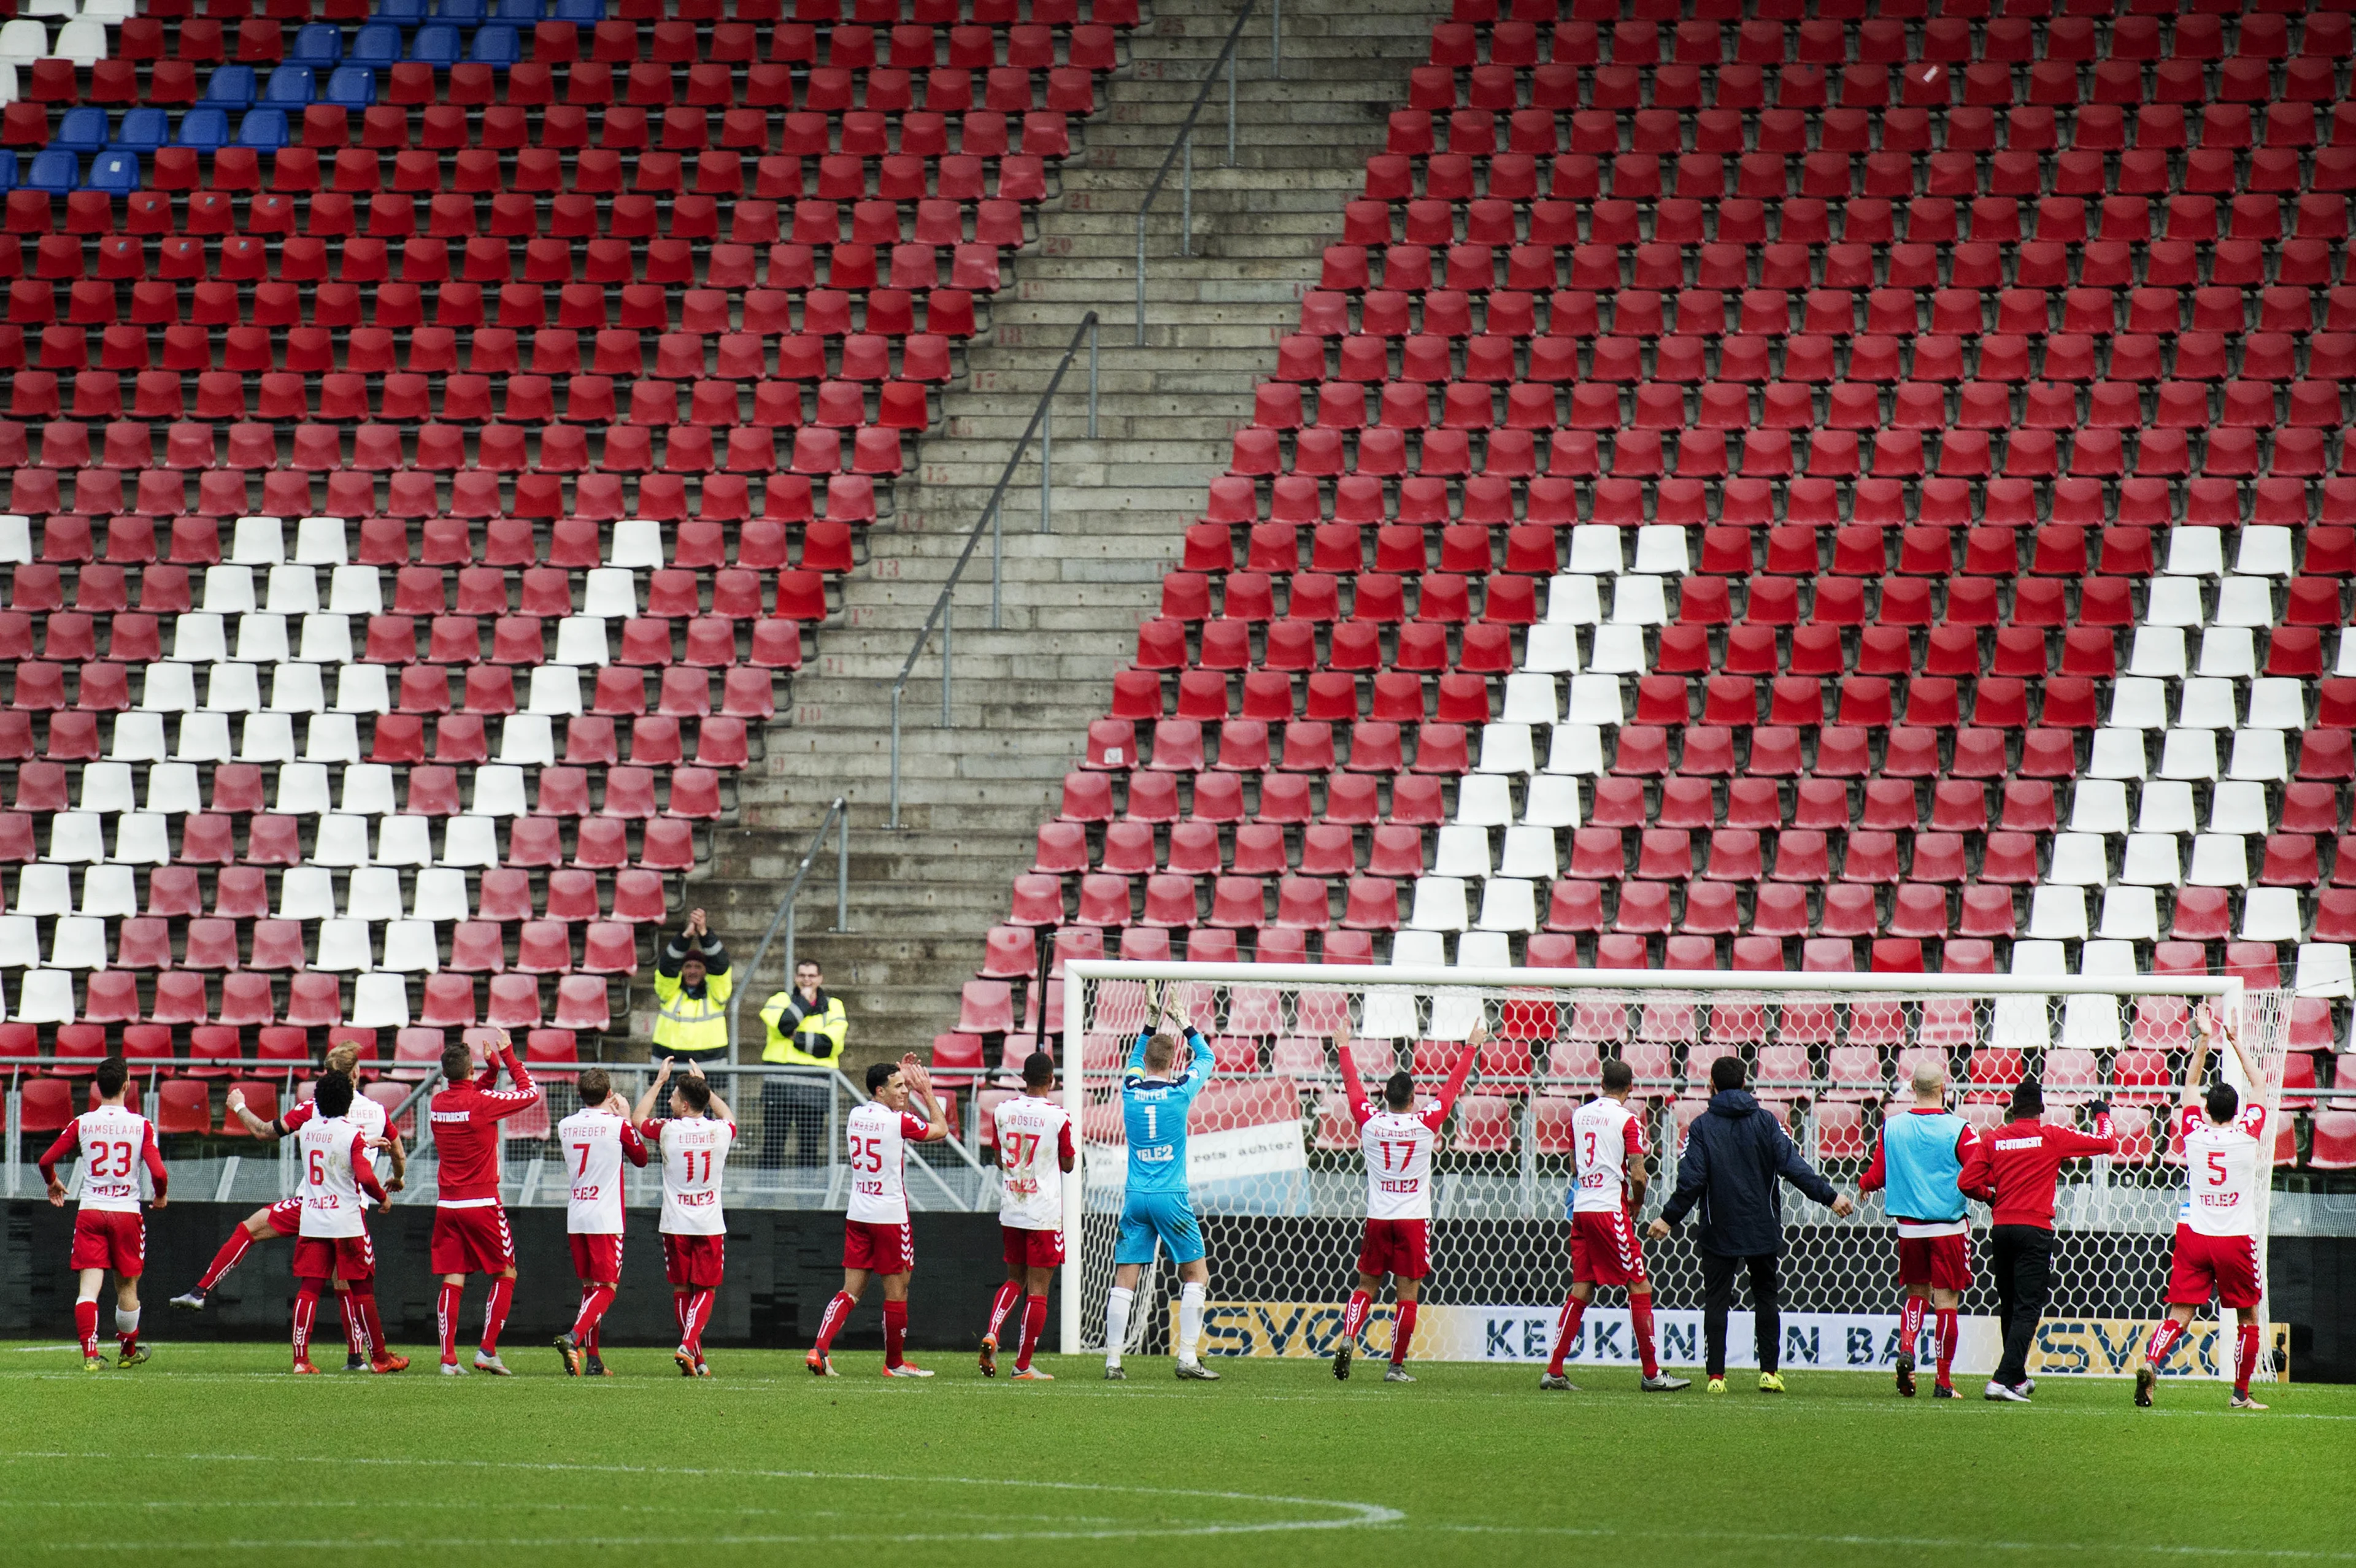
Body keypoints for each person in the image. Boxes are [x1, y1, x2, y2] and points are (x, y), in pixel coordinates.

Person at [173, 1040, 404, 1372]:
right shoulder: (376, 1112)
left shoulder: (313, 1110)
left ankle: (202, 1290)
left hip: (311, 1204)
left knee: (257, 1235)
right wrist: (397, 1180)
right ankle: (359, 1357)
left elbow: (264, 1132)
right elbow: (396, 1151)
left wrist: (239, 1107)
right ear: (356, 1072)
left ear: (327, 1076)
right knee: (348, 1284)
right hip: (352, 1207)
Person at [1649, 1056, 1854, 1394]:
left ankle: (1716, 1377)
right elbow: (1794, 1166)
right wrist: (1830, 1197)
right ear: (1745, 1084)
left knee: (1716, 1301)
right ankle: (1769, 1373)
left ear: (1710, 1087)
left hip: (1719, 1228)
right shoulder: (1767, 1122)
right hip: (1762, 1226)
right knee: (1766, 1298)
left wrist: (1668, 1218)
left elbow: (1692, 1180)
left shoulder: (1701, 1127)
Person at [2133, 1002, 2271, 1412]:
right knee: (2248, 1316)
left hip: (2195, 1235)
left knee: (2181, 1312)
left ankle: (2152, 1361)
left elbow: (2191, 1084)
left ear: (2208, 1111)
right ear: (2238, 1112)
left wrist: (2204, 1041)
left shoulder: (2193, 1132)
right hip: (2234, 1237)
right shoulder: (2248, 1135)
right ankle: (2241, 1393)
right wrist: (2236, 1042)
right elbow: (2260, 1086)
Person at [1331, 1022, 1480, 1384]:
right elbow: (1452, 1089)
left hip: (1379, 1217)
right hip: (1414, 1218)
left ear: (1385, 1098)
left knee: (1366, 1286)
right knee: (1407, 1296)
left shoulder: (1369, 1120)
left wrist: (1344, 1048)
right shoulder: (1426, 1123)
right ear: (1413, 1099)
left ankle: (1350, 1335)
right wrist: (1471, 1047)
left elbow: (1352, 1088)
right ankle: (1395, 1367)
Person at [1958, 1077, 2117, 1403]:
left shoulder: (1994, 1140)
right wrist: (2102, 1114)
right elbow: (2106, 1143)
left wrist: (1990, 1198)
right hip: (2035, 1229)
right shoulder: (2051, 1137)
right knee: (2028, 1307)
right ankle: (2001, 1380)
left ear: (2012, 1109)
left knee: (2011, 1305)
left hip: (2001, 1229)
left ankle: (2015, 1377)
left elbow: (1966, 1181)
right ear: (2042, 1110)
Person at [1543, 1059, 1690, 1394]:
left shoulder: (1580, 1115)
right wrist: (1636, 1204)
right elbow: (1638, 1173)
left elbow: (1574, 1162)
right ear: (1630, 1088)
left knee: (1582, 1286)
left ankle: (1554, 1370)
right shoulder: (1629, 1120)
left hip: (1582, 1207)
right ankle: (1652, 1374)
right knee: (1639, 1286)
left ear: (1601, 1082)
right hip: (1610, 1210)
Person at [807, 1055, 951, 1377]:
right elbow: (940, 1129)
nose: (906, 1091)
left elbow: (886, 1109)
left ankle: (819, 1350)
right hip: (889, 1216)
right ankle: (895, 1364)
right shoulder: (898, 1122)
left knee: (850, 1290)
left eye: (907, 1086)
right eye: (899, 1087)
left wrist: (897, 1072)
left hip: (859, 1213)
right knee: (897, 1291)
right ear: (879, 1091)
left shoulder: (857, 1114)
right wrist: (926, 1092)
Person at [1104, 988, 1220, 1382]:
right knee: (1196, 1275)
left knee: (1125, 1279)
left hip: (1136, 1197)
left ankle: (1113, 1362)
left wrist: (1149, 1023)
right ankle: (1187, 1358)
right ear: (1172, 1061)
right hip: (1170, 1196)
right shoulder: (1180, 1091)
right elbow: (1207, 1058)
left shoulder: (1129, 1091)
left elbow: (1136, 1060)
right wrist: (1186, 1023)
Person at [258, 1072, 399, 1375]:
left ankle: (300, 1359)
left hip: (314, 1218)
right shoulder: (354, 1134)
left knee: (309, 1288)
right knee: (362, 1289)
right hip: (347, 1222)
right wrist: (384, 1199)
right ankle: (380, 1358)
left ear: (317, 1101)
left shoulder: (307, 1130)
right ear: (349, 1101)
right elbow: (364, 1176)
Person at [39, 1056, 166, 1372]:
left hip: (92, 1211)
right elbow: (159, 1173)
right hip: (125, 1214)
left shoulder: (83, 1122)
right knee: (126, 1287)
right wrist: (160, 1196)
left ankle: (90, 1355)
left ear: (98, 1087)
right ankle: (128, 1351)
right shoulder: (141, 1125)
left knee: (88, 1289)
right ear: (126, 1086)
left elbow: (45, 1160)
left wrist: (53, 1182)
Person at [1858, 1058, 1977, 1399]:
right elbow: (1975, 1172)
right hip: (1949, 1228)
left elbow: (1878, 1176)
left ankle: (1907, 1350)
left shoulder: (1891, 1127)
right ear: (1944, 1088)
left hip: (1909, 1230)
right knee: (1946, 1304)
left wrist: (1864, 1184)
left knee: (1916, 1296)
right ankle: (1943, 1381)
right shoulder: (1960, 1129)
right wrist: (1987, 1195)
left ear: (1912, 1088)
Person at [428, 1026, 541, 1375]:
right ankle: (487, 1350)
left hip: (447, 1205)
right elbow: (530, 1093)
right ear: (470, 1071)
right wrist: (507, 1057)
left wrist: (489, 1073)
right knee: (506, 1271)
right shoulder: (480, 1102)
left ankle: (448, 1360)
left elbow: (469, 1100)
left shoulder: (438, 1103)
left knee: (453, 1277)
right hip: (481, 1203)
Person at [634, 1058, 736, 1377]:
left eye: (674, 1095)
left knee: (682, 1288)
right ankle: (691, 1349)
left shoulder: (667, 1130)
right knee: (706, 1289)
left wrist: (658, 1081)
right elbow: (729, 1116)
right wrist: (706, 1087)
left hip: (675, 1222)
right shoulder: (720, 1131)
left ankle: (692, 1351)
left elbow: (638, 1118)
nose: (669, 1100)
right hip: (708, 1223)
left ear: (685, 1104)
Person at [982, 1050, 1074, 1380]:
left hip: (1013, 1208)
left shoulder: (1003, 1110)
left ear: (1023, 1078)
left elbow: (997, 1158)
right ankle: (1022, 1365)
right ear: (1052, 1080)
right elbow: (1067, 1164)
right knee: (1038, 1290)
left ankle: (993, 1331)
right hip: (1044, 1213)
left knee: (1013, 1279)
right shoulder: (1058, 1116)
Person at [555, 1067, 648, 1377]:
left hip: (577, 1213)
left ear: (580, 1094)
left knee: (590, 1289)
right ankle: (574, 1338)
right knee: (607, 1288)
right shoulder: (616, 1126)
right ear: (609, 1094)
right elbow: (641, 1157)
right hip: (605, 1216)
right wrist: (624, 1116)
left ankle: (593, 1359)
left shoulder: (565, 1125)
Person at [759, 959, 847, 1167]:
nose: (807, 980)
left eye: (811, 976)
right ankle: (763, 1195)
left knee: (809, 1147)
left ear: (820, 979)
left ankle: (807, 1200)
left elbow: (829, 1045)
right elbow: (783, 1026)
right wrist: (804, 1002)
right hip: (779, 1087)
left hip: (815, 1089)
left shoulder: (834, 1005)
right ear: (795, 977)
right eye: (802, 975)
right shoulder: (780, 999)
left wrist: (795, 1038)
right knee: (772, 1145)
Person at [652, 908, 731, 1066]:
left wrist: (704, 933)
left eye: (698, 967)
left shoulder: (717, 994)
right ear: (681, 970)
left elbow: (721, 964)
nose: (693, 971)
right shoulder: (669, 993)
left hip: (709, 1068)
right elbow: (667, 966)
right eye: (688, 966)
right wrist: (685, 937)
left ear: (706, 971)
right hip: (669, 1067)